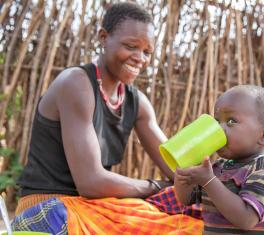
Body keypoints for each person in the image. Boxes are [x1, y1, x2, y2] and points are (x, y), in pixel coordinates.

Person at [12, 2, 178, 233]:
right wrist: (157, 186)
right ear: (103, 37)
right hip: (48, 207)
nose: (140, 58)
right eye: (131, 46)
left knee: (183, 223)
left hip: (92, 207)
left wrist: (216, 181)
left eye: (147, 52)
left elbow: (176, 166)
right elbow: (91, 182)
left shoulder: (137, 103)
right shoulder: (75, 84)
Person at [174, 85, 264, 234]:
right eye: (217, 121)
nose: (219, 128)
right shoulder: (217, 167)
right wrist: (183, 173)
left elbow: (246, 219)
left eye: (231, 121)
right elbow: (186, 199)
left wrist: (209, 181)